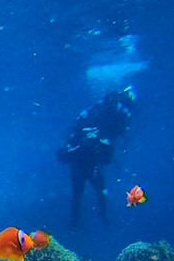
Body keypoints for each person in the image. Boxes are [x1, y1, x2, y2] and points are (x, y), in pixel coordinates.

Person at [57, 86, 136, 227]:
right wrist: (82, 145)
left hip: (92, 164)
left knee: (98, 193)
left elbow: (107, 156)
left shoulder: (103, 124)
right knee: (81, 194)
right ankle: (77, 223)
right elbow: (64, 153)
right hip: (81, 164)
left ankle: (99, 218)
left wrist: (98, 142)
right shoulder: (86, 121)